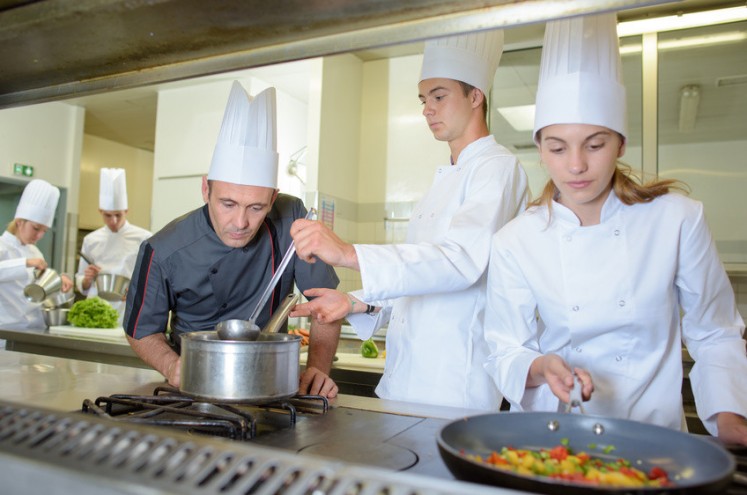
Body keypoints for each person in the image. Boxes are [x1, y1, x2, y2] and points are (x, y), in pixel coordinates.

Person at [484, 13, 747, 445]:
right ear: (539, 149)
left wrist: (731, 418)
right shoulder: (516, 240)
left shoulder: (676, 219)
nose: (576, 166)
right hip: (556, 439)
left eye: (595, 144)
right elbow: (504, 349)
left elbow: (714, 330)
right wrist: (541, 367)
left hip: (656, 438)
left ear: (621, 142)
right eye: (557, 147)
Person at [289, 29, 529, 410]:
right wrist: (355, 302)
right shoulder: (446, 178)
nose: (426, 109)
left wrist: (350, 253)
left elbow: (458, 263)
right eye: (423, 99)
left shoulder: (497, 169)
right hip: (405, 378)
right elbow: (421, 280)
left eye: (438, 96)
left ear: (475, 95)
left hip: (452, 385)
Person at [123, 82, 341, 398]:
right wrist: (174, 367)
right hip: (191, 387)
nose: (241, 223)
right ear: (205, 189)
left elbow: (326, 303)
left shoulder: (292, 217)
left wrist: (318, 368)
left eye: (256, 207)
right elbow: (141, 330)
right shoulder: (162, 249)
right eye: (228, 204)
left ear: (273, 197)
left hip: (273, 386)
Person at [76, 168, 152, 320]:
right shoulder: (91, 239)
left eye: (118, 215)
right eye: (108, 216)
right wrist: (86, 279)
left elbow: (151, 278)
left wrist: (136, 292)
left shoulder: (144, 238)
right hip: (96, 308)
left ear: (126, 211)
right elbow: (82, 283)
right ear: (100, 211)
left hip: (127, 308)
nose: (113, 221)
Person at [0, 179, 73, 329]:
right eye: (36, 228)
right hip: (5, 331)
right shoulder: (2, 246)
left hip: (34, 328)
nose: (39, 236)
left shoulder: (35, 252)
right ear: (20, 221)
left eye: (44, 231)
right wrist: (25, 263)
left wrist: (58, 282)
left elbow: (40, 290)